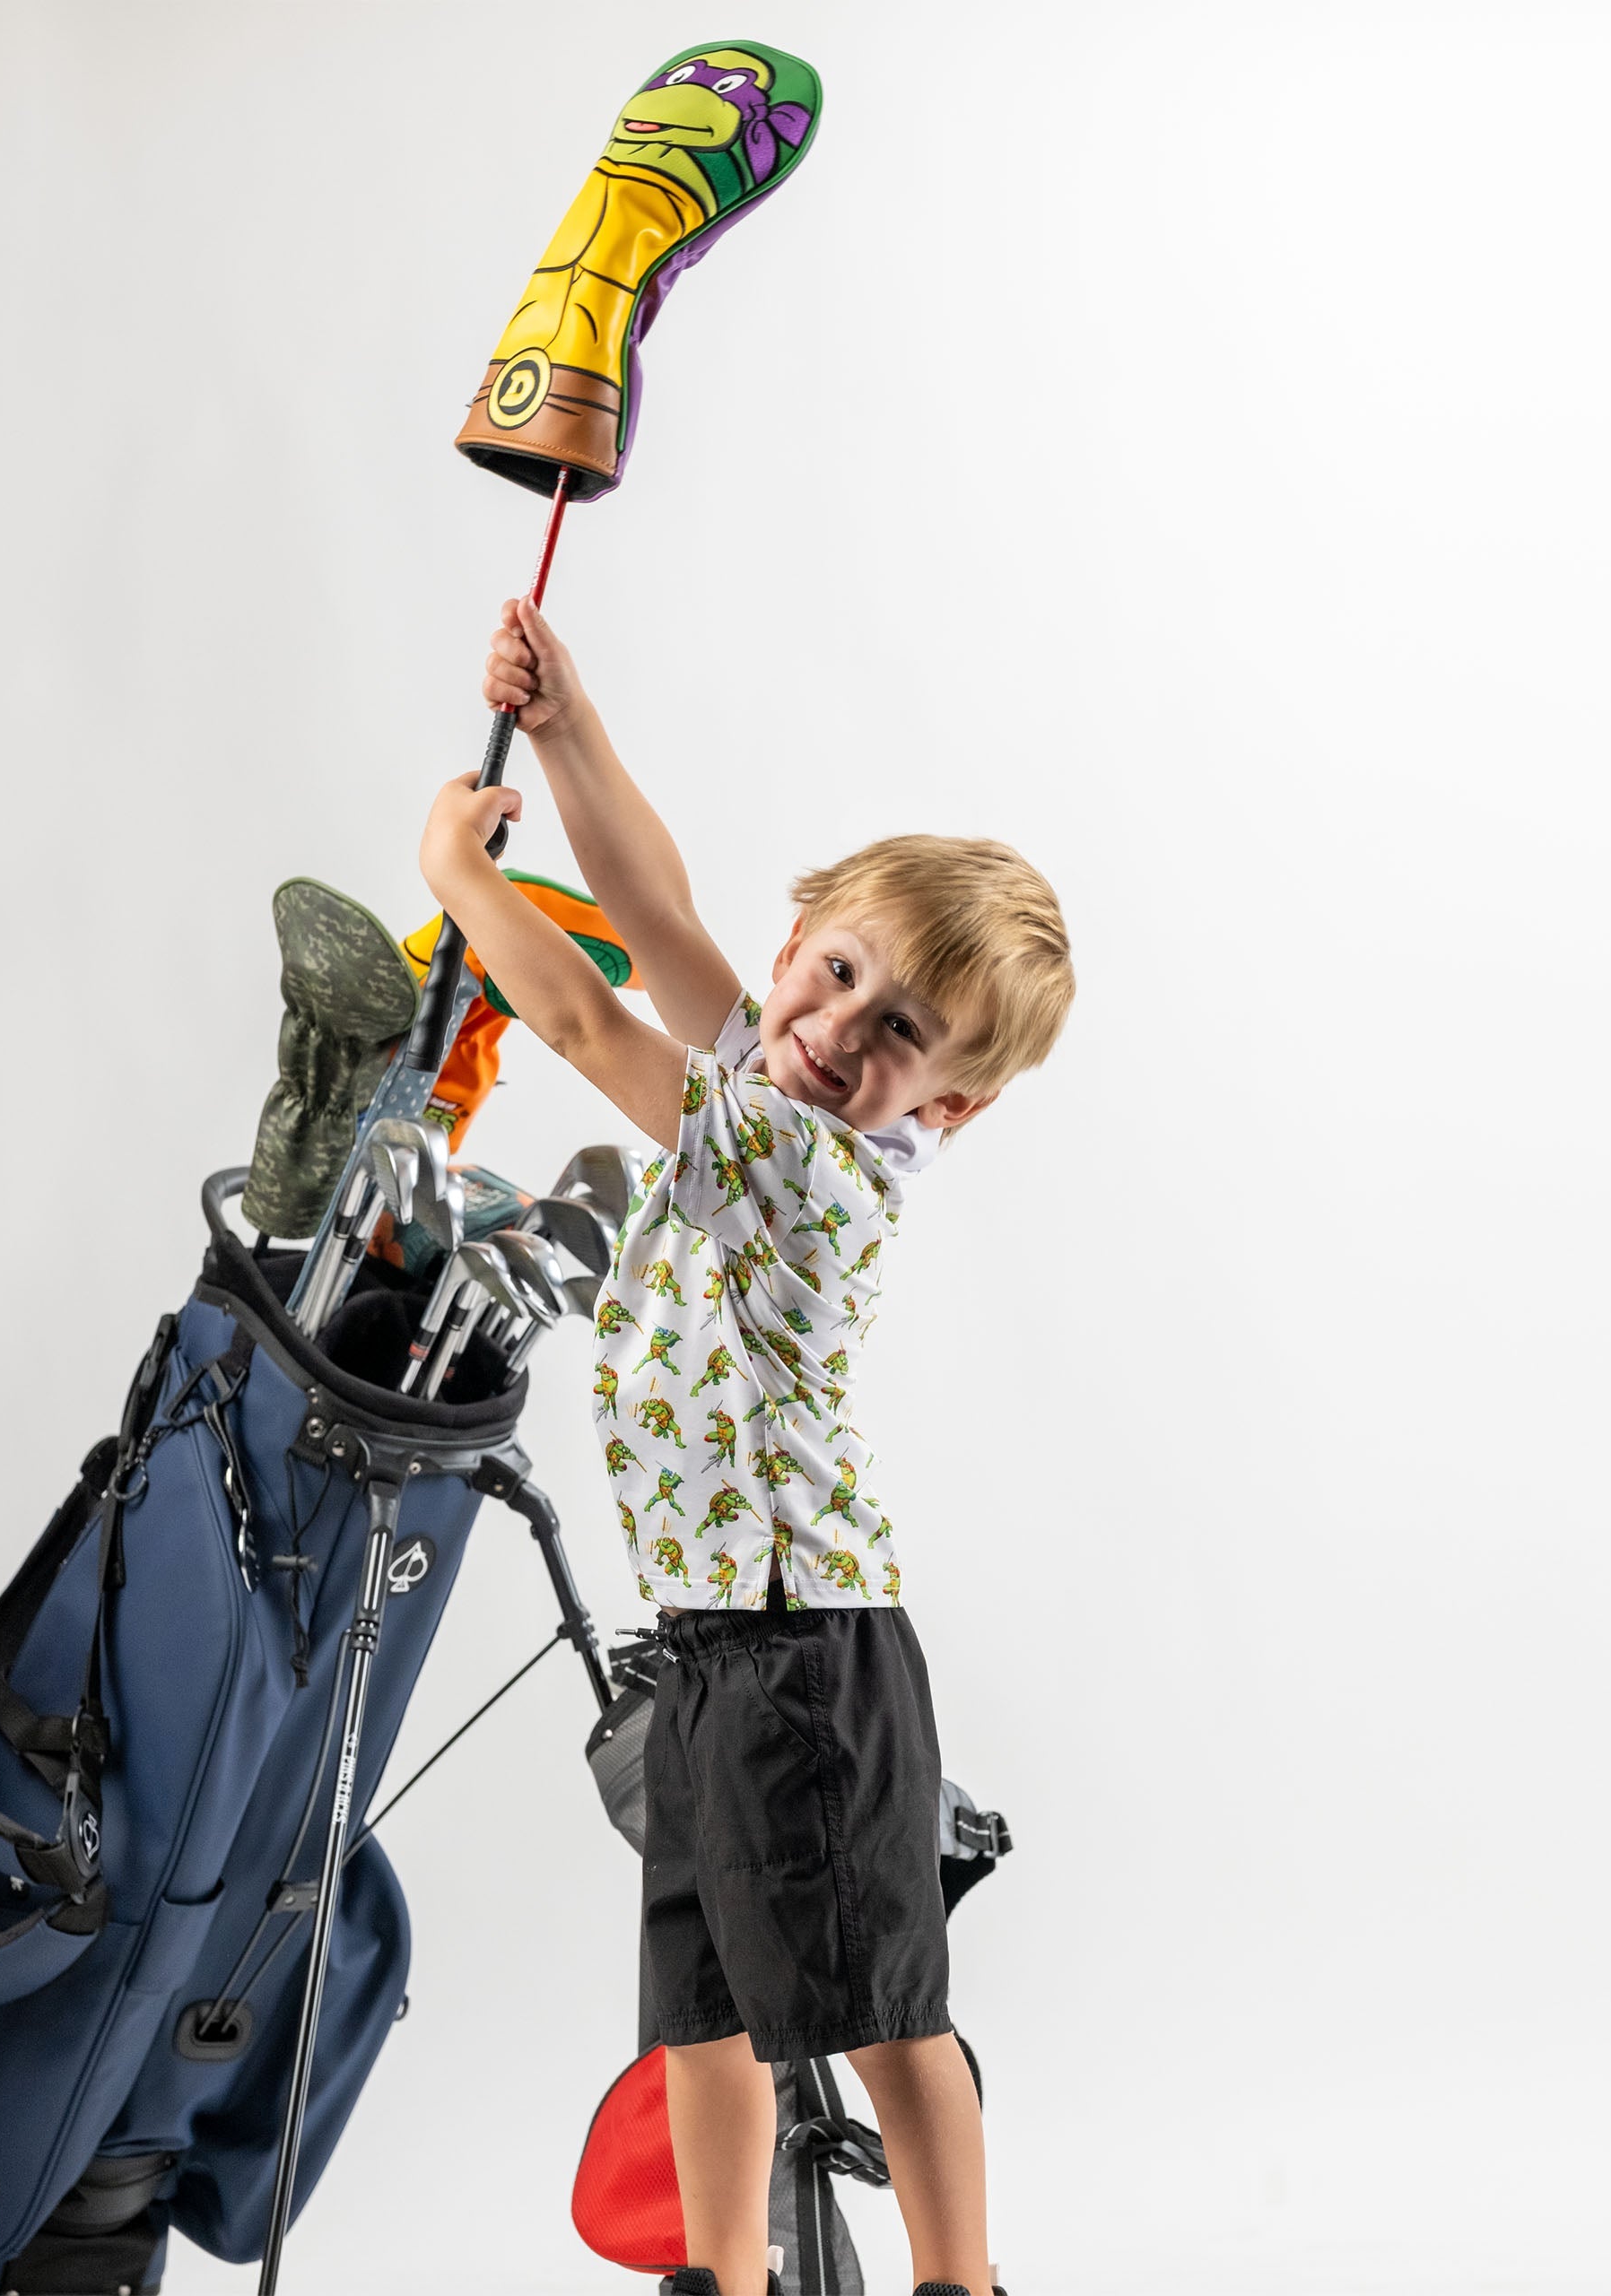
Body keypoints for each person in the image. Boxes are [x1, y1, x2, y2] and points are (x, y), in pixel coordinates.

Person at [419, 598, 1075, 2296]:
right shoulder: (776, 1078)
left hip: (805, 1656)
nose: (839, 1031)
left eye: (900, 1037)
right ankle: (720, 2278)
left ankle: (961, 2282)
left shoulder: (817, 1173)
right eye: (837, 971)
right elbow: (649, 911)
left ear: (947, 1107)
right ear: (800, 938)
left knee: (877, 2010)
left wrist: (464, 879)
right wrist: (565, 732)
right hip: (710, 1648)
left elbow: (585, 1019)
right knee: (700, 2018)